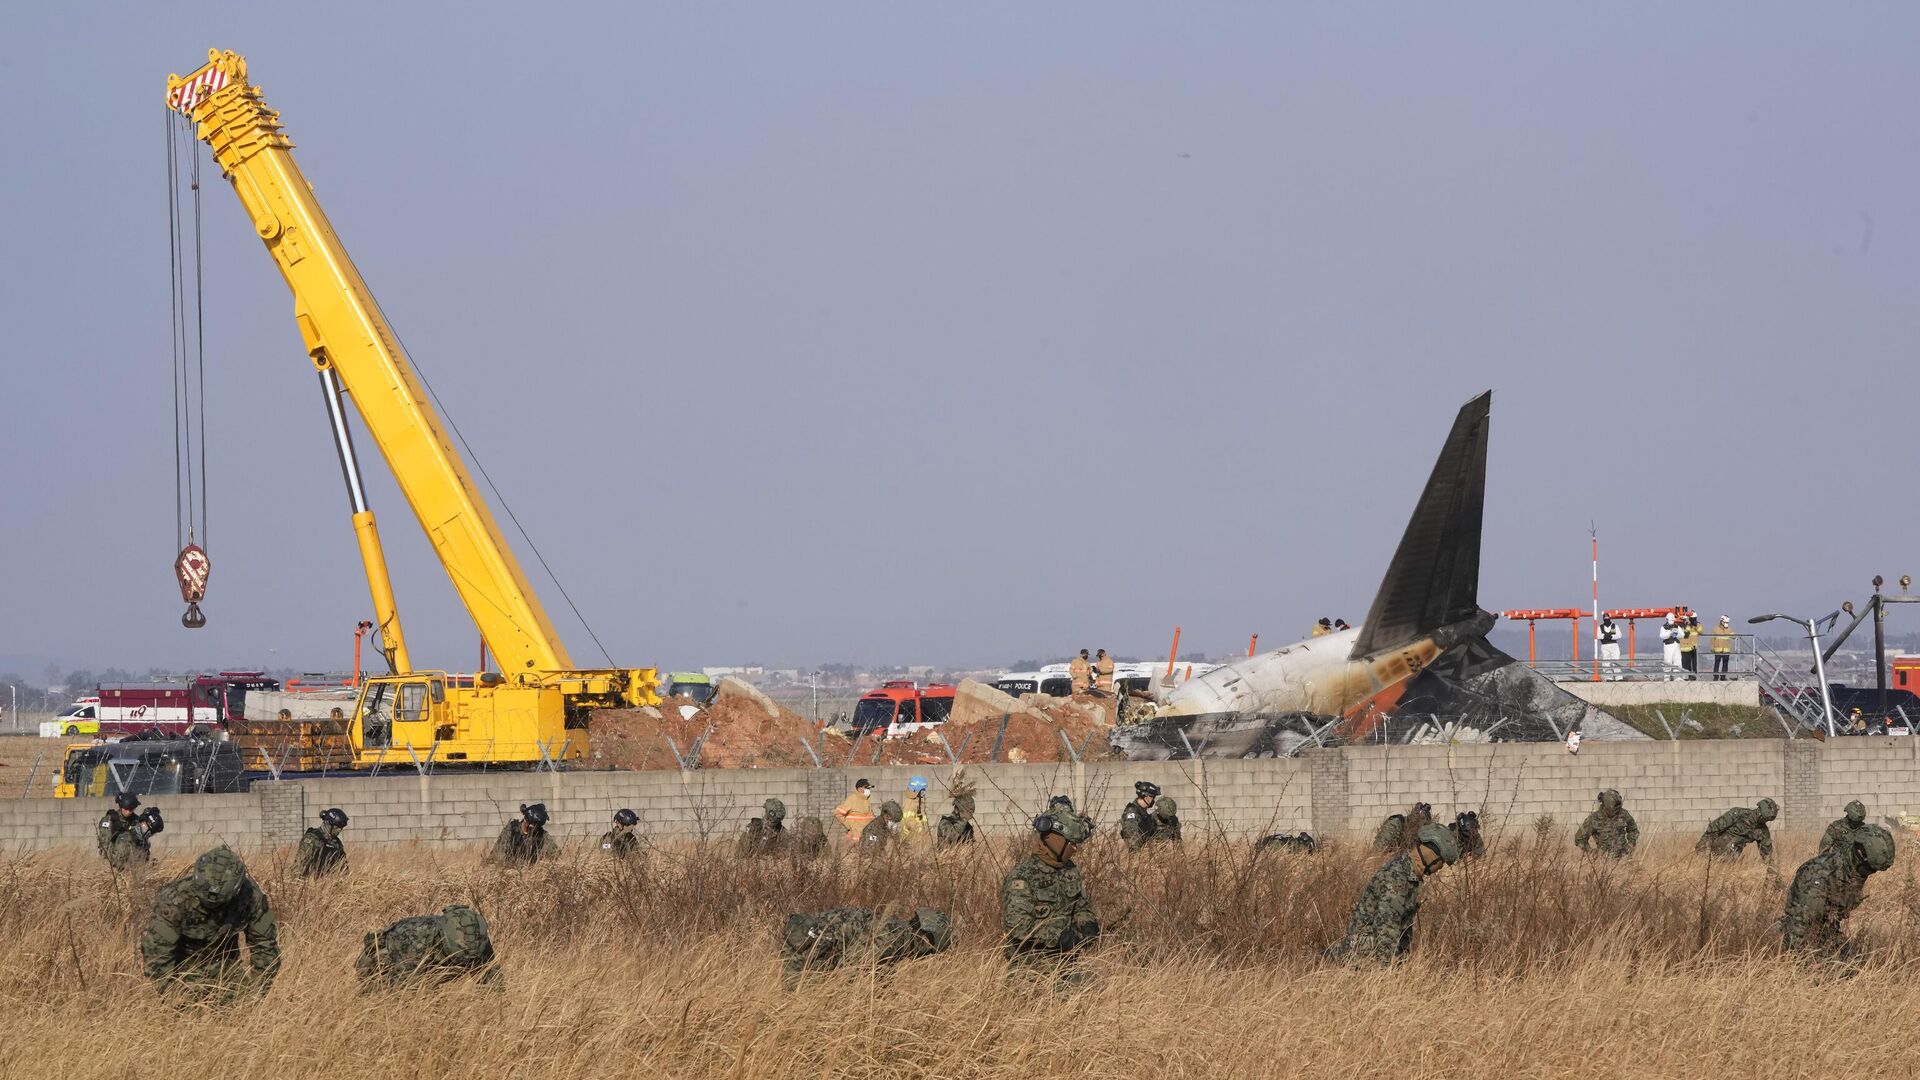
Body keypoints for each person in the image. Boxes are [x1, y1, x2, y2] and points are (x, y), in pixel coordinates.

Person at [139, 845, 279, 1002]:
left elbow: (266, 948)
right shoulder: (175, 900)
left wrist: (255, 993)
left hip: (227, 972)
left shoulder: (252, 898)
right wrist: (173, 997)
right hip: (182, 973)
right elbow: (156, 953)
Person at [1328, 823, 1460, 964]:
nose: (1440, 868)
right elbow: (1386, 928)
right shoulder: (1396, 877)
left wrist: (1403, 962)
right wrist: (1388, 973)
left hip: (1376, 948)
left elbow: (1402, 929)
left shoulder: (1409, 875)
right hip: (1361, 954)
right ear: (1432, 856)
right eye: (1441, 863)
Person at [1002, 812, 1099, 977]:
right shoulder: (1023, 877)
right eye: (1071, 844)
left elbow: (1080, 905)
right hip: (1029, 967)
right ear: (1056, 840)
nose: (1075, 849)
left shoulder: (1070, 870)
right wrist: (1060, 937)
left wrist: (1087, 924)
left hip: (1065, 962)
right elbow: (1018, 927)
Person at [1782, 824, 1895, 958]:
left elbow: (1831, 918)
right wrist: (1810, 963)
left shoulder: (1851, 870)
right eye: (1870, 869)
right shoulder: (1821, 876)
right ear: (1859, 854)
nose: (1871, 873)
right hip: (1798, 934)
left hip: (1824, 929)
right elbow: (1799, 926)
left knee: (1851, 960)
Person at [779, 906, 951, 989]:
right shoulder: (894, 937)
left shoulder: (893, 927)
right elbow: (852, 970)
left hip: (806, 944)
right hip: (807, 954)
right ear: (927, 940)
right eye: (931, 950)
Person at [355, 904, 502, 991]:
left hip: (428, 963)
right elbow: (404, 993)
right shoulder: (414, 938)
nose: (468, 959)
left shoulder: (476, 939)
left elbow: (494, 986)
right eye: (461, 956)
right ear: (443, 940)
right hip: (381, 963)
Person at [1695, 798, 1777, 864]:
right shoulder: (1738, 814)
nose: (1765, 821)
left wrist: (1772, 872)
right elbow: (1713, 829)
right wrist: (1701, 847)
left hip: (1731, 856)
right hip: (1715, 848)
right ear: (1759, 812)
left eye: (1767, 819)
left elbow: (1767, 856)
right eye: (1765, 818)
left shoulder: (1763, 832)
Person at [97, 792, 161, 871]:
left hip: (132, 863)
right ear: (121, 807)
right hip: (113, 860)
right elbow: (105, 845)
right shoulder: (110, 820)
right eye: (126, 809)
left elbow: (142, 842)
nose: (128, 812)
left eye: (131, 809)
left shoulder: (135, 820)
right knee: (127, 837)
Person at [488, 803, 558, 867]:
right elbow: (497, 857)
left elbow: (556, 856)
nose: (535, 829)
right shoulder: (511, 831)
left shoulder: (542, 835)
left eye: (537, 826)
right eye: (533, 825)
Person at [1574, 789, 1639, 858]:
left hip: (1623, 857)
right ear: (1606, 807)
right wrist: (1591, 852)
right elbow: (1579, 838)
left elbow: (1633, 829)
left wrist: (1630, 844)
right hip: (1604, 861)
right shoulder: (1594, 819)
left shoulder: (1623, 814)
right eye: (1614, 809)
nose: (1617, 811)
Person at [292, 807, 349, 876]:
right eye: (337, 827)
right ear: (328, 823)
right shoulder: (312, 839)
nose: (339, 830)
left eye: (341, 827)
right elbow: (299, 865)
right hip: (311, 882)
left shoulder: (336, 843)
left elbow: (343, 867)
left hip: (329, 883)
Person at [1119, 781, 1161, 849]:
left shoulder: (1143, 813)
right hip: (1139, 855)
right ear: (1146, 796)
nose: (1153, 800)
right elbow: (1132, 839)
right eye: (1153, 797)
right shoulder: (1132, 812)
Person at [901, 777, 931, 844]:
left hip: (919, 840)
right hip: (912, 840)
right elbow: (909, 821)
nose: (924, 792)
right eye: (923, 790)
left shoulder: (917, 801)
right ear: (917, 790)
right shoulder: (909, 802)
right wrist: (920, 829)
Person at [1709, 616, 1735, 680]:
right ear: (1721, 621)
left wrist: (1728, 630)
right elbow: (1712, 639)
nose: (1726, 623)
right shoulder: (1715, 629)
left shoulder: (1729, 629)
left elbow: (1734, 637)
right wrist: (1712, 648)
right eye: (1725, 622)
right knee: (1717, 663)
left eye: (1727, 622)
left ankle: (1723, 677)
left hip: (1726, 649)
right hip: (1718, 649)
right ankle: (1715, 677)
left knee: (1725, 664)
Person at [1597, 616, 1622, 681]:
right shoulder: (1600, 627)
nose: (1606, 619)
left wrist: (1611, 636)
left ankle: (1618, 677)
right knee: (1606, 662)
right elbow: (1597, 635)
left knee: (1616, 661)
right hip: (1604, 645)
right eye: (1605, 618)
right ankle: (1608, 677)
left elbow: (1619, 635)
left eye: (1607, 618)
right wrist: (1604, 636)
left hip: (1614, 645)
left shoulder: (1615, 626)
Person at [1660, 614, 1683, 680]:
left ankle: (1677, 677)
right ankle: (1666, 677)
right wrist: (1669, 633)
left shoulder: (1677, 626)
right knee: (1668, 661)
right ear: (1667, 619)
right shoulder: (1664, 627)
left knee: (1677, 660)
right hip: (1668, 645)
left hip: (1676, 645)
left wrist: (1676, 634)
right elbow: (1662, 635)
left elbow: (1682, 635)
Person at [1679, 615, 1701, 679]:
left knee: (1694, 663)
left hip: (1693, 647)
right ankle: (1687, 676)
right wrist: (1684, 625)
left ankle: (1693, 676)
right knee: (1686, 663)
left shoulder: (1695, 625)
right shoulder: (1681, 626)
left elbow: (1701, 631)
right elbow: (1684, 633)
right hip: (1684, 647)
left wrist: (1696, 624)